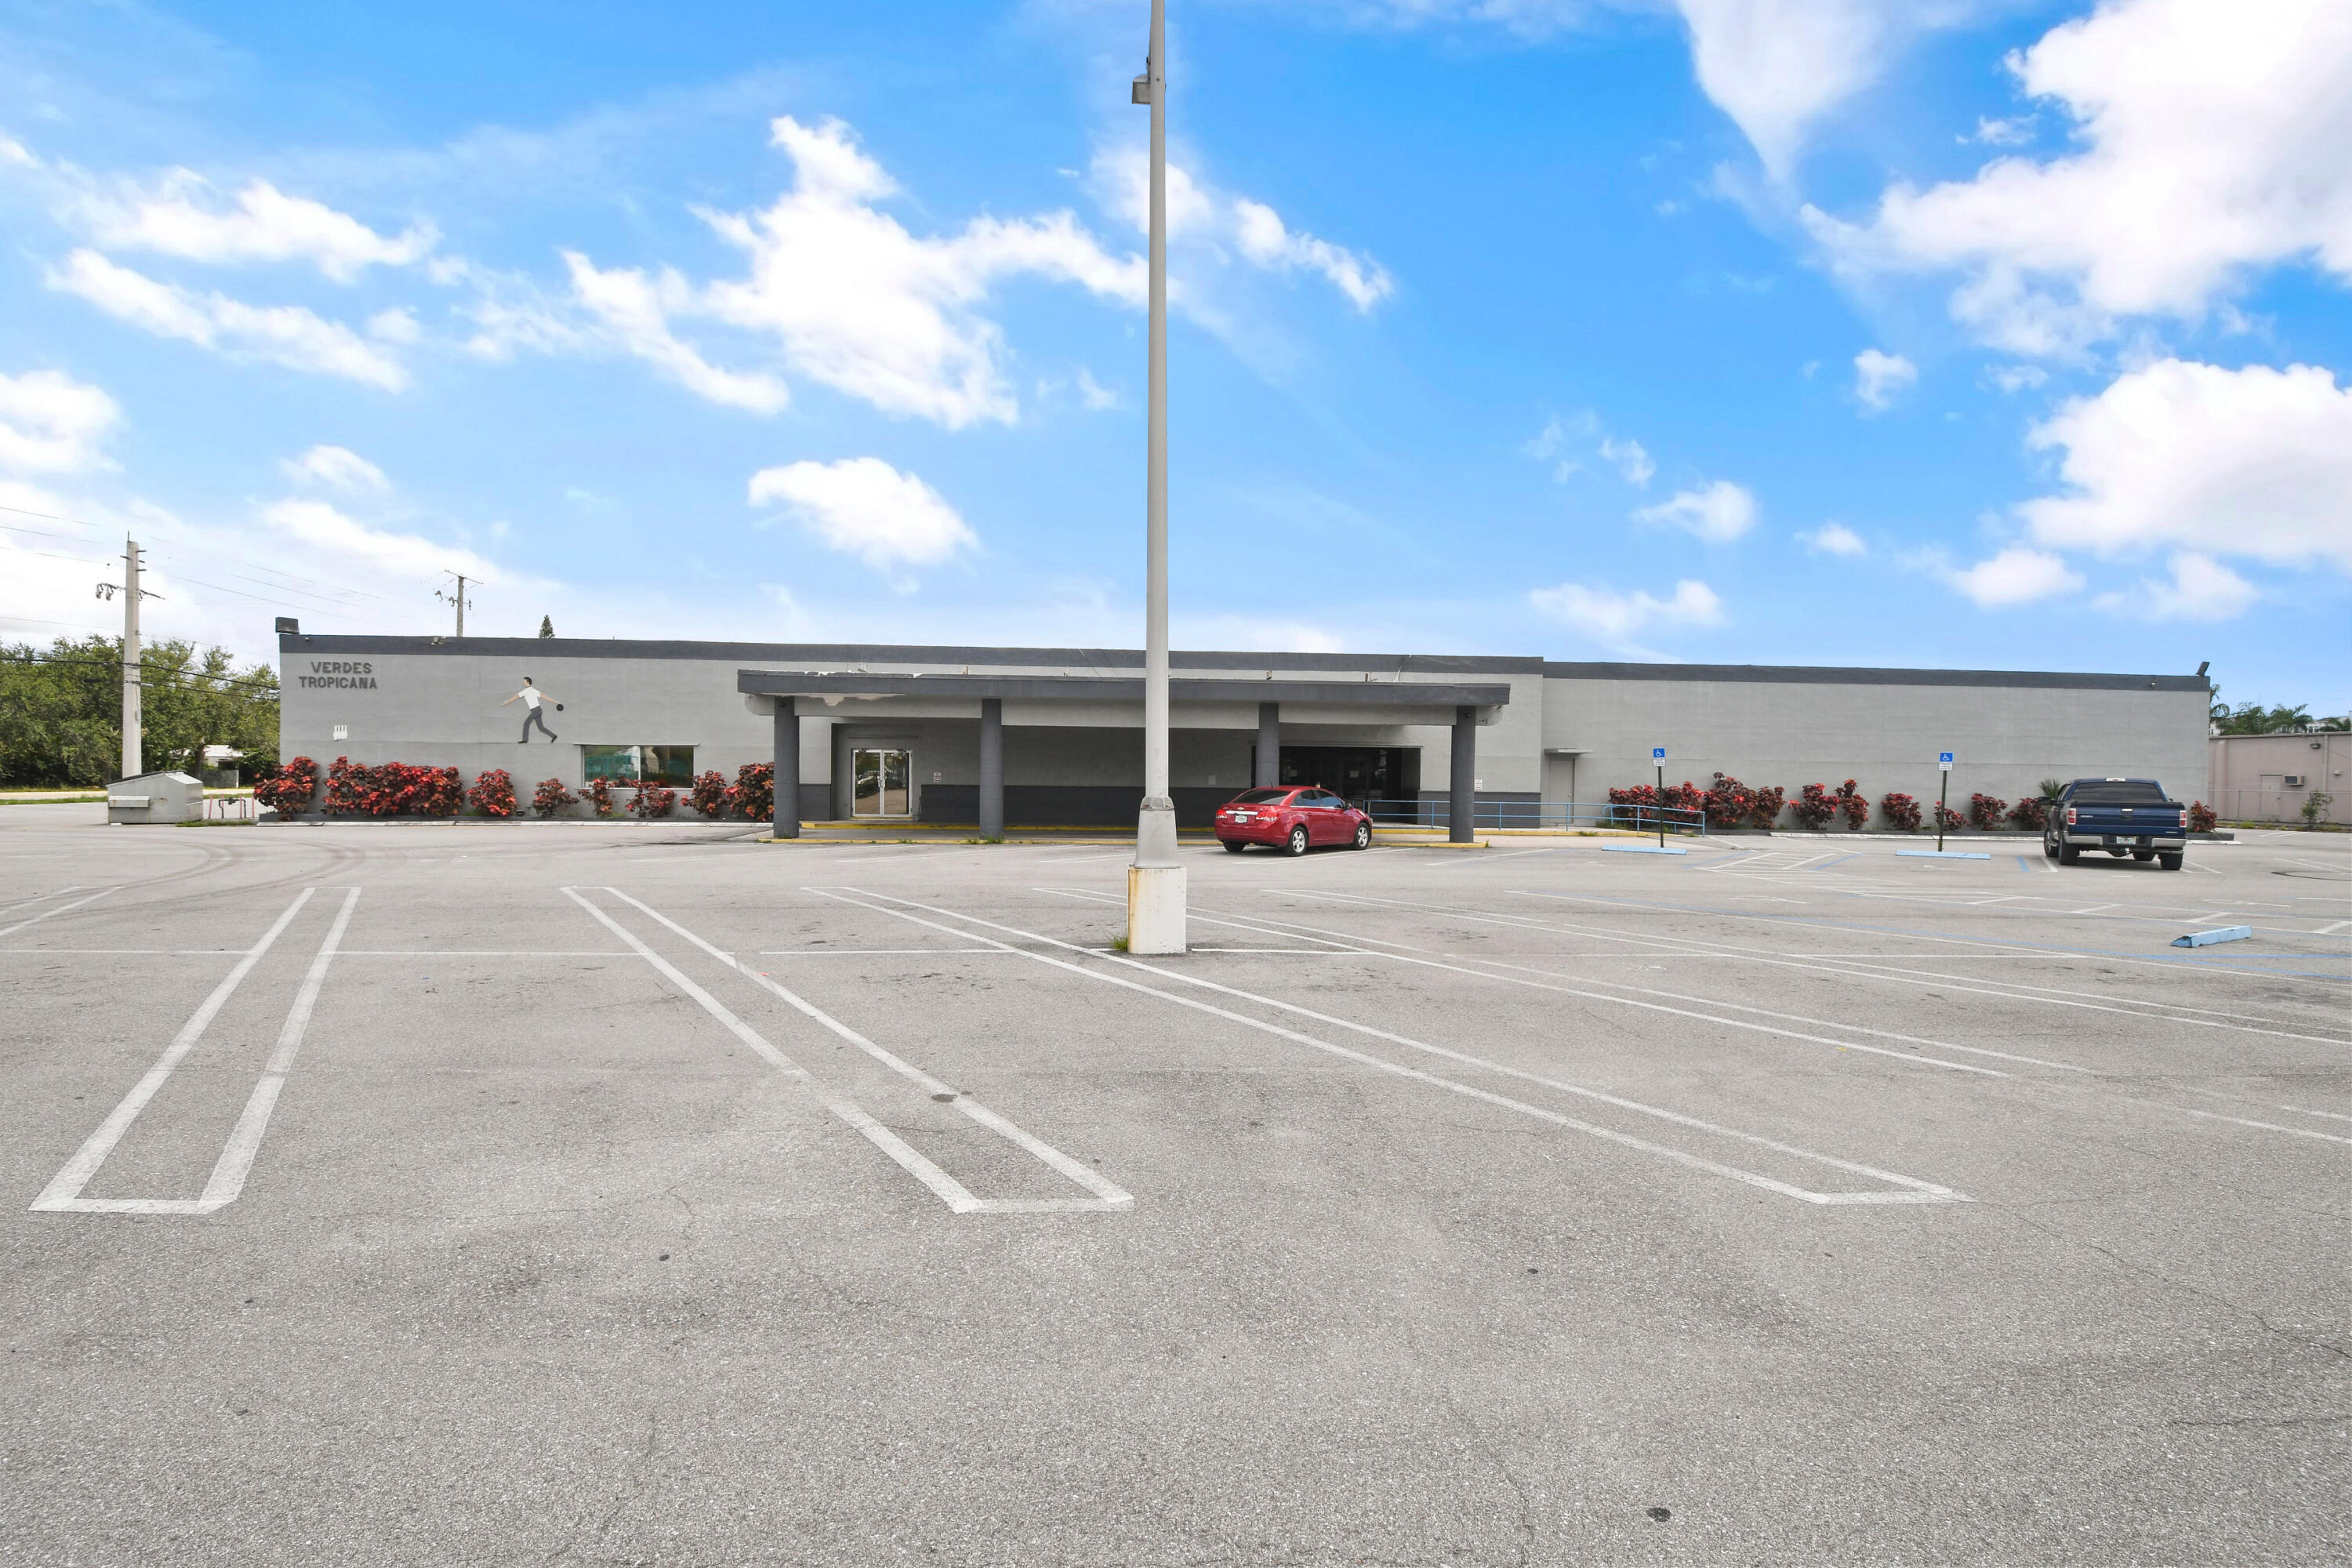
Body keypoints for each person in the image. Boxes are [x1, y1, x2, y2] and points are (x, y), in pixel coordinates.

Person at [502, 677, 562, 742]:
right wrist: (557, 702)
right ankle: (554, 736)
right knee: (541, 728)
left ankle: (525, 740)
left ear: (528, 682)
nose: (523, 683)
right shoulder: (534, 691)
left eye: (524, 681)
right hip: (538, 710)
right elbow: (545, 697)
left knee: (526, 723)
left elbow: (516, 697)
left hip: (536, 711)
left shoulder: (526, 691)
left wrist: (507, 702)